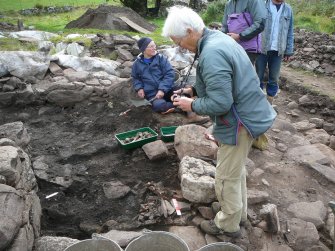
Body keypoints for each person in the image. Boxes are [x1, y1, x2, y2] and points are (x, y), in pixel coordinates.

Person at [162, 6, 276, 237]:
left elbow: (221, 103)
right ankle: (238, 213)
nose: (178, 46)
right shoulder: (218, 39)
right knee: (236, 171)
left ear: (190, 31)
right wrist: (194, 89)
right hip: (249, 113)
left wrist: (191, 105)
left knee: (225, 177)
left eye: (178, 40)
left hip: (239, 122)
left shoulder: (212, 52)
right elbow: (227, 80)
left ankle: (227, 224)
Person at [255, 0, 294, 104]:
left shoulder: (288, 9)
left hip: (278, 50)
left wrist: (288, 51)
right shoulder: (262, 6)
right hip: (262, 48)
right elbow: (255, 25)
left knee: (274, 78)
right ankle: (257, 101)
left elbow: (290, 31)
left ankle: (269, 101)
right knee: (258, 76)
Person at [131, 37, 176, 114]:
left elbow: (170, 74)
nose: (154, 48)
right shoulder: (137, 64)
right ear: (144, 49)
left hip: (168, 89)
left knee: (183, 93)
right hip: (152, 94)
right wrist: (139, 88)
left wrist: (162, 89)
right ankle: (175, 106)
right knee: (159, 106)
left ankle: (174, 105)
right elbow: (136, 78)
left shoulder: (161, 59)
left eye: (154, 45)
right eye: (151, 46)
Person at [221, 0, 267, 64]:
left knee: (244, 73)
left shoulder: (255, 1)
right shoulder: (229, 4)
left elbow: (260, 23)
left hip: (249, 49)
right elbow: (225, 26)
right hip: (232, 47)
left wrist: (239, 36)